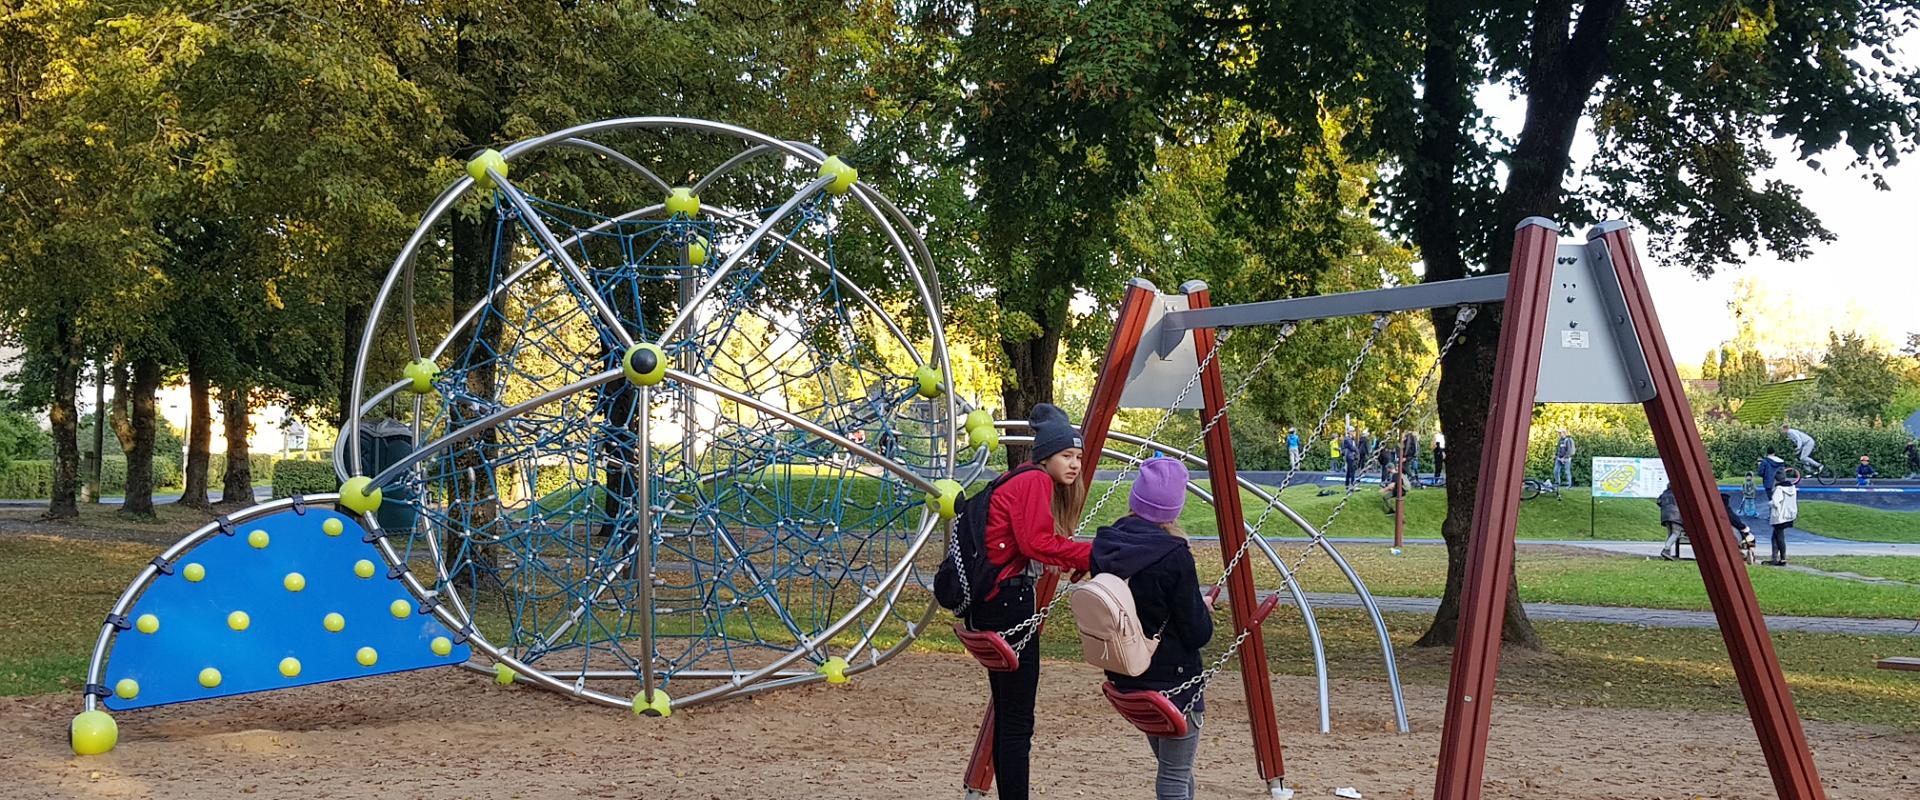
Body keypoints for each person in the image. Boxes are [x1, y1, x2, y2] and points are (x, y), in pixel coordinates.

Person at [973, 402, 1093, 800]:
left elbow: (1032, 543)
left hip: (989, 604)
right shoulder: (1036, 482)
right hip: (1010, 605)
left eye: (1078, 457)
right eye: (1066, 456)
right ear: (1046, 456)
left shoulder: (1014, 479)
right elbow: (1036, 543)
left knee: (1010, 714)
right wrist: (1090, 556)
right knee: (1018, 719)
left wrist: (1069, 557)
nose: (1074, 465)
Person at [1090, 457, 1214, 800]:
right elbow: (1197, 633)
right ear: (1174, 509)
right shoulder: (1174, 555)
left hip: (1126, 673)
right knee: (1174, 776)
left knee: (1177, 769)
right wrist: (1201, 608)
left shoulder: (1106, 545)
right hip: (1174, 682)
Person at [1658, 487, 1754, 560]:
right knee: (1675, 533)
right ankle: (1666, 550)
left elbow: (1659, 501)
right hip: (1676, 516)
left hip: (1665, 515)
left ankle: (1667, 550)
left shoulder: (1665, 493)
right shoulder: (1679, 493)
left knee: (1671, 533)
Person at [1766, 472, 1799, 566]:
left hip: (1779, 516)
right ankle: (1776, 558)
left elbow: (1776, 502)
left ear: (1776, 480)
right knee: (1776, 536)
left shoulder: (1779, 489)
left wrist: (1770, 503)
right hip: (1788, 515)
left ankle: (1781, 559)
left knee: (1779, 537)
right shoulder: (1792, 488)